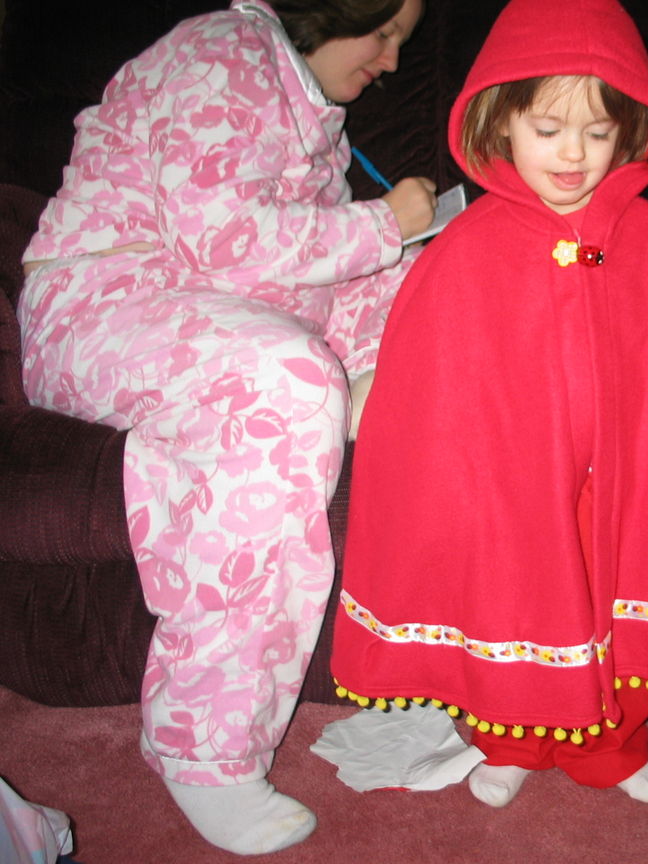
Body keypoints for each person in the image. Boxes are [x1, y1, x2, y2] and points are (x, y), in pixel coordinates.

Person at [330, 0, 648, 809]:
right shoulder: (466, 249)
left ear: (629, 130)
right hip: (511, 488)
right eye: (547, 129)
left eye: (597, 132)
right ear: (500, 124)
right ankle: (507, 742)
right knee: (513, 603)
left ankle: (614, 748)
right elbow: (431, 386)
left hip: (626, 482)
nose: (572, 154)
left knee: (619, 610)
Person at [17, 0, 433, 854]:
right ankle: (202, 748)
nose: (393, 60)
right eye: (384, 31)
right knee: (285, 382)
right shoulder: (223, 50)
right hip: (109, 301)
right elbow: (225, 244)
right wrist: (385, 222)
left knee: (443, 291)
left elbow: (303, 264)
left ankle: (448, 643)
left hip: (237, 302)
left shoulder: (314, 109)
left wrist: (412, 259)